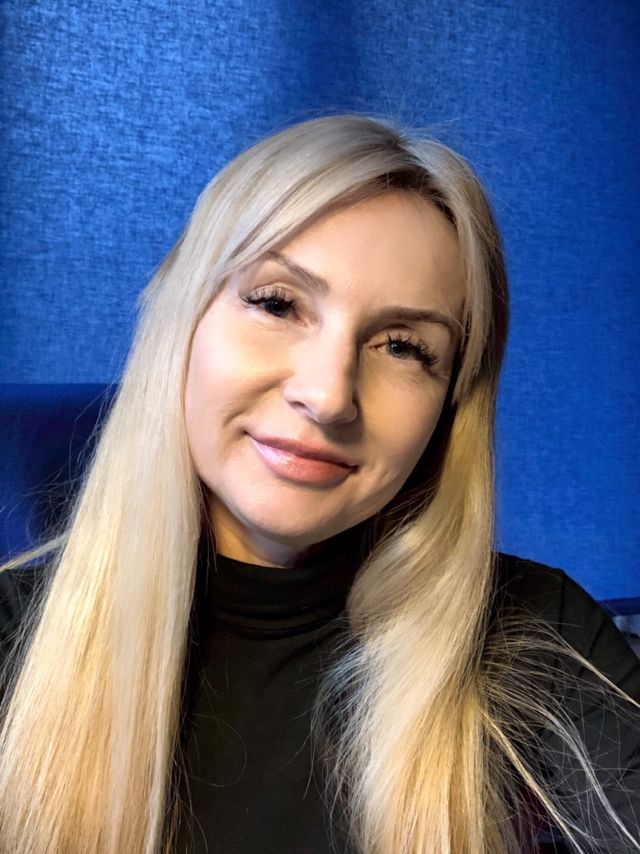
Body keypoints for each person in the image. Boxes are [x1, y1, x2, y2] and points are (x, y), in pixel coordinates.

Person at [0, 114, 638, 854]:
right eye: (277, 303)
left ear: (449, 405)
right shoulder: (14, 636)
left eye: (404, 347)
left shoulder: (538, 629)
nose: (330, 395)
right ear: (181, 323)